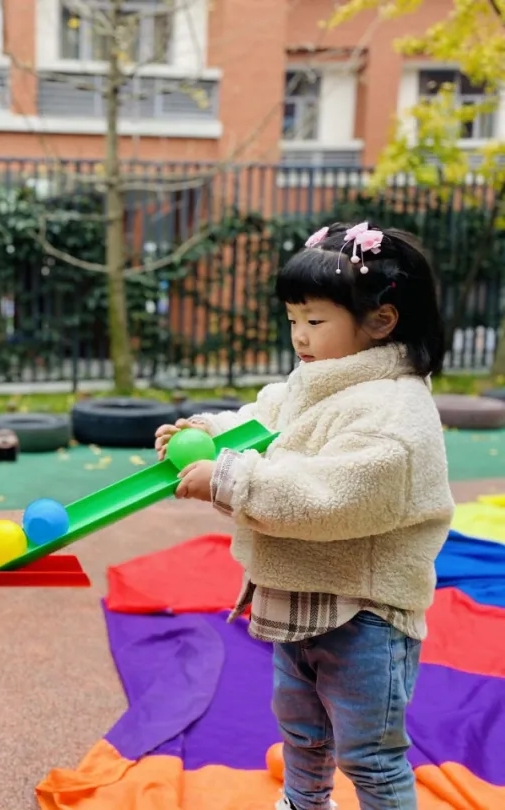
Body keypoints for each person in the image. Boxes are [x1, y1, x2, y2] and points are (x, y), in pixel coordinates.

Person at [155, 222, 454, 810]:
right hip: (300, 594)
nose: (299, 336)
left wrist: (229, 479)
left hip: (363, 613)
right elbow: (264, 421)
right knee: (301, 731)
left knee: (368, 753)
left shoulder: (394, 413)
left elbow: (330, 497)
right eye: (293, 320)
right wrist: (209, 435)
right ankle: (305, 802)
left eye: (314, 321)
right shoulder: (318, 380)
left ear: (381, 322)